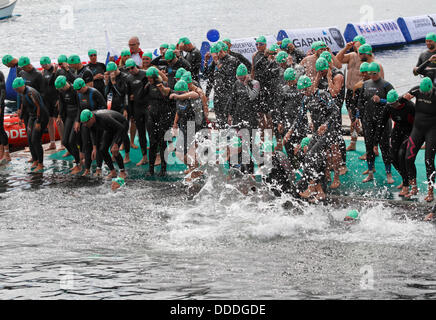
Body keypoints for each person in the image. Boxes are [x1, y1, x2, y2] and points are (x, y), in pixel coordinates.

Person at [286, 75, 341, 201]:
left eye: (305, 90)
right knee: (310, 156)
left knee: (311, 156)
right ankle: (320, 190)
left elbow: (335, 111)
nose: (304, 93)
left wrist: (326, 124)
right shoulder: (306, 99)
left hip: (329, 131)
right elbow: (299, 117)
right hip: (318, 133)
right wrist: (290, 131)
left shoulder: (322, 95)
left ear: (310, 86)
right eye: (302, 91)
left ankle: (312, 186)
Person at [357, 62, 394, 184]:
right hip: (368, 121)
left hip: (383, 121)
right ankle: (370, 172)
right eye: (370, 74)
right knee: (369, 147)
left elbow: (395, 102)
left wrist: (382, 100)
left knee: (384, 148)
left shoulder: (386, 85)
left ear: (379, 72)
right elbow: (361, 102)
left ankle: (388, 173)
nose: (372, 76)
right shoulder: (366, 84)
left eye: (374, 73)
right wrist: (357, 117)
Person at [375, 89, 416, 197]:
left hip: (410, 131)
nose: (393, 106)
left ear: (398, 101)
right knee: (392, 157)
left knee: (402, 154)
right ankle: (405, 177)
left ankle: (406, 185)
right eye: (391, 104)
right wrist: (375, 142)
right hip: (397, 130)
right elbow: (381, 124)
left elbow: (418, 123)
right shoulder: (388, 107)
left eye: (394, 104)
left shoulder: (409, 106)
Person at [405, 77, 436, 202]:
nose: (424, 94)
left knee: (428, 161)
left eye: (426, 92)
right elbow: (402, 99)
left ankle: (430, 191)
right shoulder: (417, 90)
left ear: (430, 88)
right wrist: (404, 98)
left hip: (432, 130)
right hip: (417, 129)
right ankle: (414, 187)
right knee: (408, 158)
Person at [226, 64, 261, 174]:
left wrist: (246, 84)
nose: (240, 80)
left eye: (242, 78)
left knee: (248, 146)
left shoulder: (255, 83)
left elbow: (252, 97)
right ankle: (239, 169)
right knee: (237, 144)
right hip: (238, 118)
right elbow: (233, 98)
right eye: (239, 78)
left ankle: (250, 172)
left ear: (247, 76)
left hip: (250, 118)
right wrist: (230, 114)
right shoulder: (236, 83)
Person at [336, 35, 366, 151]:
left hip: (361, 93)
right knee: (352, 119)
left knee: (363, 120)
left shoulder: (367, 58)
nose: (356, 48)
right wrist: (345, 48)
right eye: (355, 45)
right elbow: (338, 60)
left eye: (358, 45)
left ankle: (372, 147)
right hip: (350, 92)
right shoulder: (352, 56)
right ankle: (353, 142)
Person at [80, 109, 129, 179]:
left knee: (113, 150)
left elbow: (121, 128)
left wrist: (116, 143)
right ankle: (113, 172)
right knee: (102, 149)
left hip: (121, 126)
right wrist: (94, 148)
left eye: (85, 123)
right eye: (83, 123)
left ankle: (122, 172)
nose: (84, 125)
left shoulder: (104, 118)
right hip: (110, 128)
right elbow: (93, 132)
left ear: (92, 118)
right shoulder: (91, 121)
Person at [13, 77, 49, 173]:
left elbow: (39, 107)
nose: (16, 91)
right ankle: (35, 159)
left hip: (41, 116)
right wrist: (20, 118)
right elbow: (23, 105)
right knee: (29, 138)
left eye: (17, 89)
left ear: (21, 86)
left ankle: (41, 164)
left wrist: (38, 122)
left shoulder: (31, 93)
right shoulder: (23, 93)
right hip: (32, 116)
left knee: (35, 139)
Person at [73, 78, 107, 176]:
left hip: (96, 123)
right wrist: (77, 121)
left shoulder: (94, 93)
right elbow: (80, 108)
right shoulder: (79, 94)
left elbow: (104, 106)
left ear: (84, 86)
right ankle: (87, 169)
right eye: (76, 90)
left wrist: (94, 117)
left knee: (98, 145)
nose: (78, 92)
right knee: (86, 145)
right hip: (85, 123)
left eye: (79, 89)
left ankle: (99, 168)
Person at [143, 66, 172, 176]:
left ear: (155, 77)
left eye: (151, 78)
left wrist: (162, 90)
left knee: (162, 142)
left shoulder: (163, 85)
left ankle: (163, 169)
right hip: (152, 116)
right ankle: (150, 170)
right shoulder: (147, 86)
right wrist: (148, 108)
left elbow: (168, 99)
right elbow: (142, 98)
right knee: (152, 142)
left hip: (163, 117)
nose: (149, 80)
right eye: (148, 78)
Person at [171, 80, 200, 174]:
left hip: (192, 127)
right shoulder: (179, 100)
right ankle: (193, 168)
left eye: (181, 93)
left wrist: (178, 95)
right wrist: (175, 123)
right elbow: (178, 111)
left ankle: (194, 171)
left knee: (190, 152)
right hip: (183, 127)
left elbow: (195, 94)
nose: (179, 95)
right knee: (179, 153)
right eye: (177, 93)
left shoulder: (191, 98)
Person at [55, 75, 82, 174]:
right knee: (65, 141)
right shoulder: (61, 91)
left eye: (61, 88)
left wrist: (78, 121)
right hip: (69, 117)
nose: (61, 90)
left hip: (76, 116)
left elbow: (80, 107)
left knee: (71, 141)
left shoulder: (74, 90)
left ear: (65, 84)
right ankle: (77, 157)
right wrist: (59, 116)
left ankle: (78, 164)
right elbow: (62, 104)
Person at [125, 58, 149, 166]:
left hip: (147, 107)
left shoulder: (145, 74)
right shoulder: (128, 78)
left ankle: (158, 156)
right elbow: (127, 96)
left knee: (152, 132)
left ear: (136, 66)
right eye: (128, 69)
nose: (131, 70)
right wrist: (130, 112)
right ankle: (144, 157)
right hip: (137, 108)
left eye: (132, 68)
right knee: (141, 134)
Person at [209, 43, 239, 127]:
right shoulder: (217, 60)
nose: (215, 58)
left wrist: (217, 63)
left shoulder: (232, 60)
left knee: (228, 121)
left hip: (228, 94)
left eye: (215, 55)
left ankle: (230, 138)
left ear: (220, 51)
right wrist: (207, 94)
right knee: (219, 120)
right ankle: (222, 136)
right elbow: (209, 77)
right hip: (218, 94)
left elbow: (228, 76)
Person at [40, 56, 59, 151]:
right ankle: (52, 143)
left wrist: (59, 99)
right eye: (42, 65)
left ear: (49, 63)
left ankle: (63, 143)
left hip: (55, 99)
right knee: (49, 121)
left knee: (58, 121)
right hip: (47, 100)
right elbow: (44, 86)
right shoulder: (44, 72)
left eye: (45, 65)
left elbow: (57, 85)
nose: (44, 67)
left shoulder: (55, 70)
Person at [0, 70, 10, 164]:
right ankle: (1, 153)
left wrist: (0, 106)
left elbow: (3, 92)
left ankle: (7, 153)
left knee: (0, 129)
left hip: (0, 106)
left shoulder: (0, 74)